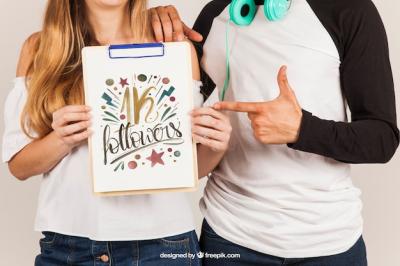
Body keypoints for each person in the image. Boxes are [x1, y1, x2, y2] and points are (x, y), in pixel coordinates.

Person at [151, 0, 399, 265]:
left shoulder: (349, 9)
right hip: (230, 237)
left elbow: (381, 139)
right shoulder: (216, 14)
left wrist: (302, 129)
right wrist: (150, 25)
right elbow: (169, 124)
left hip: (329, 242)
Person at [2, 0, 232, 265]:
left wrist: (216, 145)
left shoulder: (173, 46)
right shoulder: (39, 49)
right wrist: (61, 140)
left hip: (163, 245)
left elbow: (188, 169)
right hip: (69, 246)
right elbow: (19, 166)